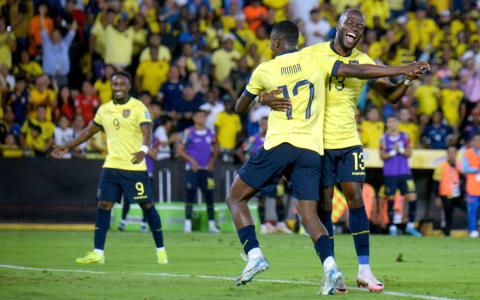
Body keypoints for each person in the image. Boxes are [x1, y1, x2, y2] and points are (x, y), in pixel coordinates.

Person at [231, 20, 427, 293]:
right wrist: (403, 66)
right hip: (316, 145)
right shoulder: (315, 56)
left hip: (341, 142)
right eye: (351, 22)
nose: (356, 28)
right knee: (318, 210)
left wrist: (404, 76)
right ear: (338, 25)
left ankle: (363, 269)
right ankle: (331, 271)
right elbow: (352, 71)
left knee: (352, 197)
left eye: (361, 25)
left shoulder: (342, 60)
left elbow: (366, 75)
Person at [51, 71, 168, 265]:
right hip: (111, 166)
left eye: (122, 84)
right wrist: (67, 146)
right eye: (115, 84)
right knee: (104, 205)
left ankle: (161, 251)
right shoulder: (104, 110)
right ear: (111, 87)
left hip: (135, 167)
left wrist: (144, 150)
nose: (119, 87)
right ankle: (98, 253)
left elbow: (147, 131)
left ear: (129, 86)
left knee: (146, 206)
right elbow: (88, 131)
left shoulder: (138, 106)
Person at [237, 116, 292, 234]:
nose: (265, 126)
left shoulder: (276, 139)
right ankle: (263, 225)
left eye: (267, 124)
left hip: (276, 175)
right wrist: (249, 166)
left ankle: (281, 223)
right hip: (260, 175)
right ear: (260, 125)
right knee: (261, 199)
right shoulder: (253, 139)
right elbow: (239, 151)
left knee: (279, 198)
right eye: (263, 124)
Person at [177, 109, 220, 233]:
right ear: (194, 118)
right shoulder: (188, 132)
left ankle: (212, 224)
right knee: (190, 194)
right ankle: (187, 224)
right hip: (192, 170)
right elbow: (180, 150)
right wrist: (191, 160)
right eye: (200, 116)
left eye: (204, 117)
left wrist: (213, 160)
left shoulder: (211, 133)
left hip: (207, 170)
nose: (203, 119)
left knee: (209, 195)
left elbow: (217, 148)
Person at [380, 115, 421, 237]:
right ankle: (392, 227)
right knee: (391, 198)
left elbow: (409, 153)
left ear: (397, 123)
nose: (391, 123)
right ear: (387, 124)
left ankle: (410, 226)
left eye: (393, 121)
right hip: (390, 174)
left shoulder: (405, 136)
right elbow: (382, 156)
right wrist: (393, 152)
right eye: (389, 121)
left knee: (412, 196)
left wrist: (401, 150)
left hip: (405, 173)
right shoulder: (383, 138)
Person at [433, 146, 466, 236]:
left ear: (456, 154)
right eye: (450, 152)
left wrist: (465, 194)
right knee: (447, 215)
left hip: (459, 196)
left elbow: (465, 179)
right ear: (447, 154)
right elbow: (436, 183)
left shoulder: (460, 165)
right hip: (446, 195)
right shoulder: (441, 166)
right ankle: (447, 234)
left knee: (470, 210)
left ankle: (473, 230)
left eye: (454, 152)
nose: (452, 154)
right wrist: (437, 197)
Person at [461, 133, 480, 238]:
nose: (478, 142)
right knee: (472, 210)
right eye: (476, 140)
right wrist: (476, 170)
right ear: (472, 142)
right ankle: (473, 230)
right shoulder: (467, 153)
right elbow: (465, 168)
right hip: (472, 187)